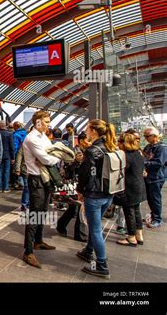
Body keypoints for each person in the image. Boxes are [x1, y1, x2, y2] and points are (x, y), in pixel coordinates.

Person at [76, 119, 117, 279]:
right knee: (96, 224)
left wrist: (80, 190)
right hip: (108, 193)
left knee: (95, 229)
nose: (86, 131)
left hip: (94, 195)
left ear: (93, 131)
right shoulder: (111, 147)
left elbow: (85, 174)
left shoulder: (92, 151)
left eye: (87, 128)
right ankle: (88, 251)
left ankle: (102, 265)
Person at [21, 111, 60, 269]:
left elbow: (52, 154)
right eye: (46, 121)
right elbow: (47, 158)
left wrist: (53, 156)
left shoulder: (44, 137)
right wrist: (57, 157)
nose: (48, 123)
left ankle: (38, 242)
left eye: (49, 121)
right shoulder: (31, 139)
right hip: (36, 179)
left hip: (45, 178)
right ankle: (28, 251)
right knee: (34, 213)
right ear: (37, 122)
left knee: (43, 210)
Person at [56, 131, 89, 242]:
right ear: (81, 141)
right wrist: (76, 161)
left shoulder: (87, 151)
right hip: (74, 182)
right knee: (79, 207)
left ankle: (61, 224)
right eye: (86, 140)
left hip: (80, 182)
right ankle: (79, 235)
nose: (88, 142)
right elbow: (67, 167)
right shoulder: (74, 151)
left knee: (73, 208)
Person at [115, 132, 146, 246]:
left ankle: (131, 237)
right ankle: (139, 235)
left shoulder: (126, 156)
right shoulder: (138, 154)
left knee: (129, 212)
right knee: (136, 211)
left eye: (119, 141)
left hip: (129, 188)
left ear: (125, 143)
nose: (118, 144)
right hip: (139, 186)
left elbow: (121, 172)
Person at [142, 126, 166, 229]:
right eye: (145, 136)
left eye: (148, 136)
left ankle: (157, 219)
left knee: (155, 198)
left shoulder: (162, 147)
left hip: (156, 177)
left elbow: (159, 163)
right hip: (148, 176)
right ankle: (153, 215)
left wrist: (144, 162)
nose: (146, 138)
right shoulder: (148, 146)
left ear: (155, 136)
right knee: (150, 197)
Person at [0, 121, 15, 193]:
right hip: (7, 155)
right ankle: (6, 188)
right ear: (5, 126)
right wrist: (13, 157)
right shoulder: (9, 134)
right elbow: (11, 146)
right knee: (6, 172)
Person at [12, 121, 27, 189]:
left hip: (19, 152)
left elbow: (15, 145)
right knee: (23, 167)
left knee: (17, 168)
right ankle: (24, 182)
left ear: (16, 127)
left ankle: (20, 183)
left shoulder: (15, 134)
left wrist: (13, 154)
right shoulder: (26, 133)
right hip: (26, 152)